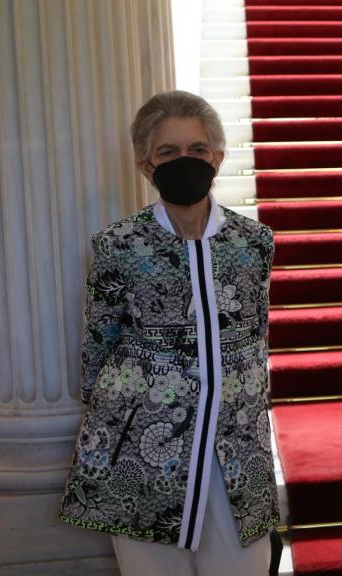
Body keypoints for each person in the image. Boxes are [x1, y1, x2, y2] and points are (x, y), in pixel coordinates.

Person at [59, 90, 279, 575]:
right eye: (168, 152)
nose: (186, 161)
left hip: (235, 452)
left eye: (197, 150)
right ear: (145, 165)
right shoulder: (118, 245)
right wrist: (133, 414)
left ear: (217, 158)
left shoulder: (254, 242)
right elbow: (97, 346)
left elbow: (257, 336)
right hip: (143, 452)